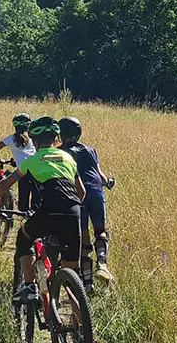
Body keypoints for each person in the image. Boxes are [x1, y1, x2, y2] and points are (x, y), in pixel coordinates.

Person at [0, 117, 84, 305]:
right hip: (73, 212)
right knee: (72, 276)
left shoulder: (32, 160)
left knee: (24, 236)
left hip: (48, 210)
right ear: (56, 139)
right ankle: (80, 319)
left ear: (34, 141)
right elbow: (81, 192)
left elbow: (5, 184)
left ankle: (29, 286)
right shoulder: (68, 158)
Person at [59, 116, 115, 289]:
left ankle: (88, 284)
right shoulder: (90, 150)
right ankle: (102, 264)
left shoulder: (60, 152)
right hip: (96, 191)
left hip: (78, 194)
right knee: (100, 231)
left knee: (83, 241)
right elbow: (99, 173)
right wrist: (108, 182)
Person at [2, 113, 37, 212]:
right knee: (36, 202)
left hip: (23, 172)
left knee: (23, 204)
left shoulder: (11, 138)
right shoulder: (33, 138)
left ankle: (25, 217)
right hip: (36, 170)